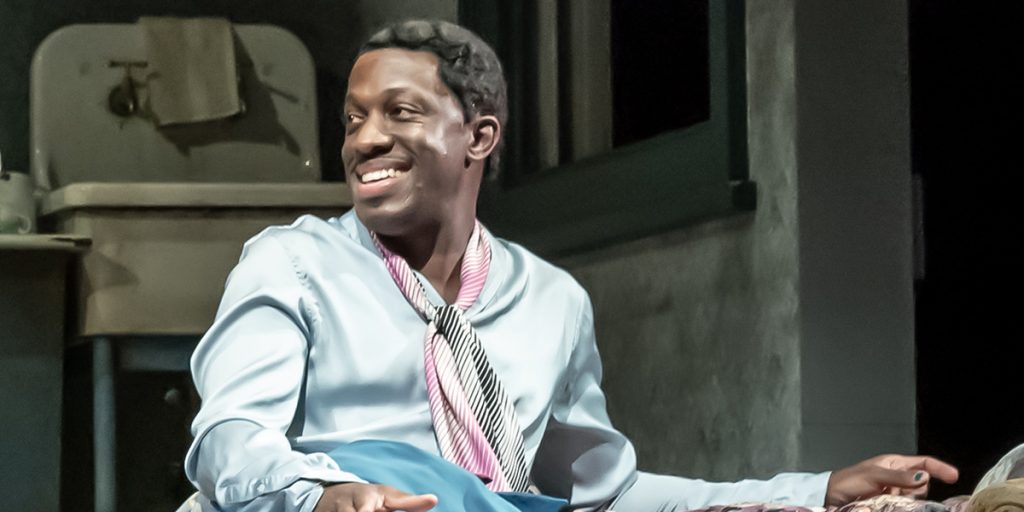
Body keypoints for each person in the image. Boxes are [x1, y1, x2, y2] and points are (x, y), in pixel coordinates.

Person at [179, 19, 958, 512]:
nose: (364, 139)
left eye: (400, 113)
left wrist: (815, 491)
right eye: (354, 119)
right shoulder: (294, 265)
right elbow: (229, 441)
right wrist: (323, 497)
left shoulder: (549, 301)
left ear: (479, 137)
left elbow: (604, 492)